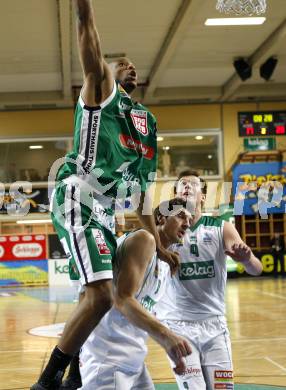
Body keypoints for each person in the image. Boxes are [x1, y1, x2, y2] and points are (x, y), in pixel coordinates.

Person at [31, 1, 179, 389]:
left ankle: (76, 370)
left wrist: (161, 245)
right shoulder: (100, 92)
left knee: (91, 293)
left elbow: (144, 191)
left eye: (134, 64)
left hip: (107, 211)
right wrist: (83, 7)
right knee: (101, 295)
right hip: (78, 195)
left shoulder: (147, 122)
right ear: (106, 72)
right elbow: (86, 30)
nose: (130, 66)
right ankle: (48, 379)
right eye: (121, 62)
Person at [156, 169, 263, 390]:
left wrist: (247, 258)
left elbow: (257, 269)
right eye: (182, 184)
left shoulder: (221, 228)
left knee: (222, 388)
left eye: (192, 184)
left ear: (203, 196)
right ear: (175, 194)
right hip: (177, 325)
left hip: (214, 325)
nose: (186, 187)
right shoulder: (164, 231)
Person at [79, 198, 192, 389]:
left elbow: (144, 313)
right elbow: (122, 300)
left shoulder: (164, 263)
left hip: (134, 361)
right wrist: (166, 336)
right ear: (161, 218)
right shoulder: (144, 239)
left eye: (189, 220)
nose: (187, 224)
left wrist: (169, 347)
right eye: (181, 216)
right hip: (109, 360)